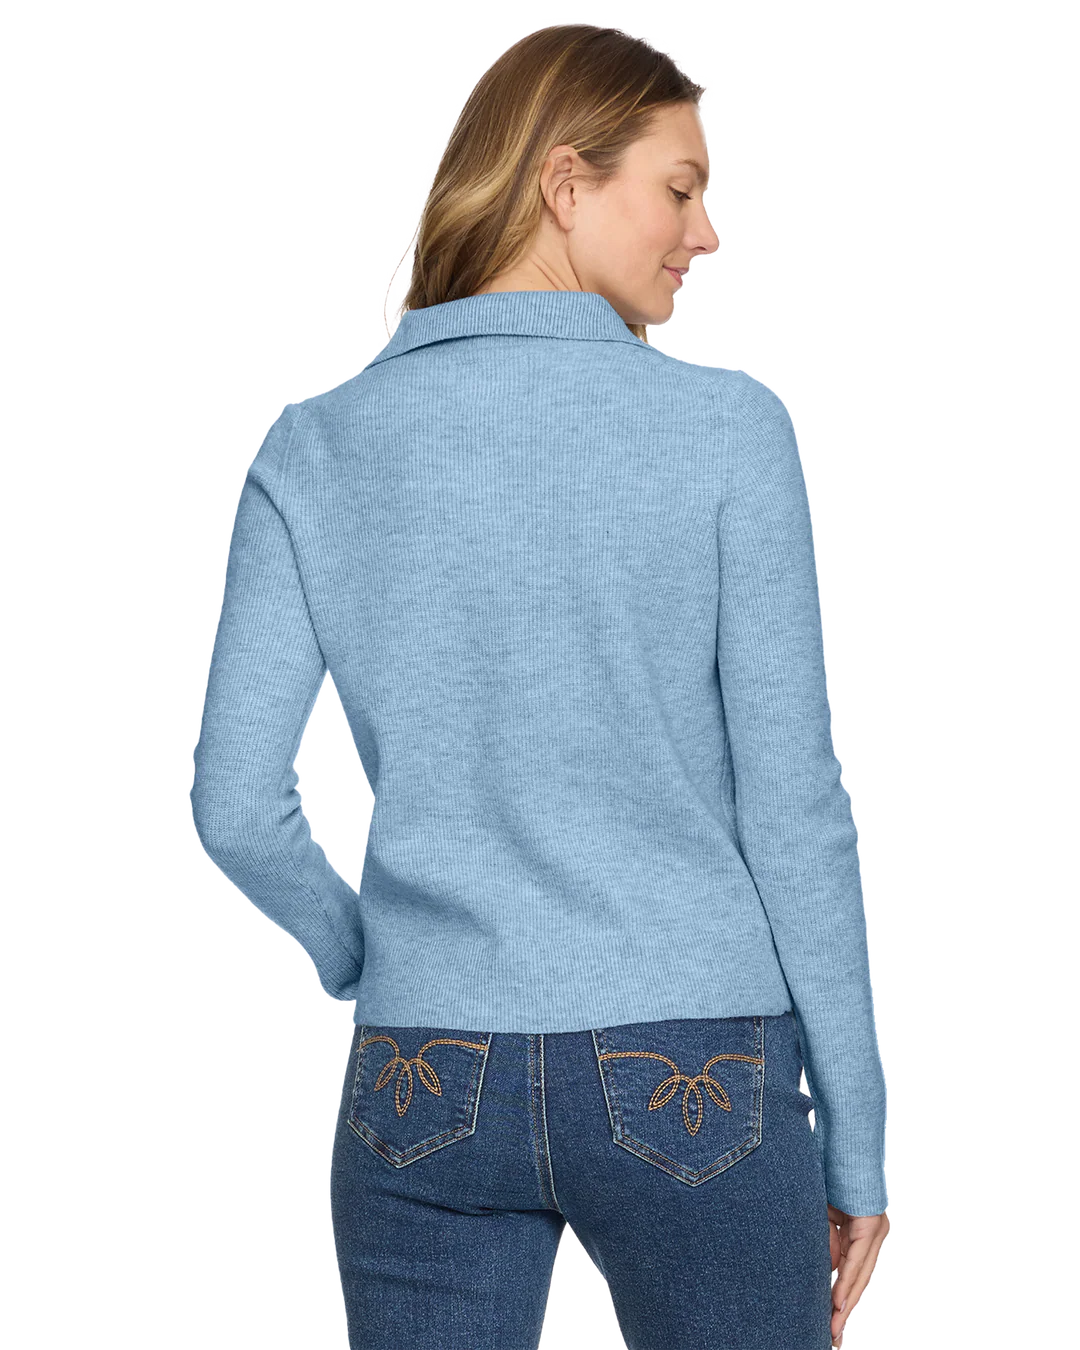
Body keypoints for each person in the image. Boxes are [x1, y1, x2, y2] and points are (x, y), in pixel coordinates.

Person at [189, 21, 890, 1349]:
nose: (705, 233)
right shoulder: (728, 426)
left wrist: (369, 954)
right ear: (566, 183)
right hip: (696, 1065)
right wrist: (858, 1133)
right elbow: (794, 807)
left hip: (420, 1066)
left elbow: (233, 806)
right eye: (679, 190)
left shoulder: (315, 444)